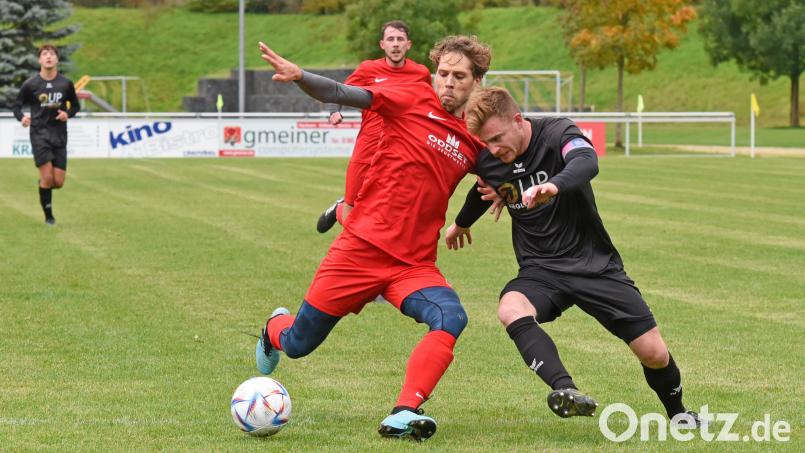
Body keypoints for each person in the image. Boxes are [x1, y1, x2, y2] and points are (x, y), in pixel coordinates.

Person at [254, 35, 492, 440]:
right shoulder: (411, 97)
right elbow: (342, 92)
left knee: (451, 317)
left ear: (477, 82)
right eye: (444, 74)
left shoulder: (476, 136)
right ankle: (273, 328)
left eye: (460, 76)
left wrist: (486, 204)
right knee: (298, 344)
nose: (448, 83)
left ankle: (404, 411)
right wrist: (301, 77)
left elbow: (496, 177)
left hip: (413, 266)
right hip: (359, 251)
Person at [444, 87, 702, 425]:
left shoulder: (556, 132)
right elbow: (484, 188)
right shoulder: (493, 158)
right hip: (541, 271)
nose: (492, 149)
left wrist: (555, 185)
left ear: (518, 121)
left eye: (497, 138)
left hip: (594, 265)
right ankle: (565, 390)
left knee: (654, 354)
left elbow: (586, 160)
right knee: (510, 308)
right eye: (486, 143)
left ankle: (680, 414)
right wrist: (461, 224)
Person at [316, 20, 431, 233]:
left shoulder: (420, 73)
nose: (395, 44)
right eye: (390, 39)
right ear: (382, 44)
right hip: (368, 147)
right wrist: (334, 111)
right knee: (352, 217)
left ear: (408, 44)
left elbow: (428, 106)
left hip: (401, 152)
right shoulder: (368, 69)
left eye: (400, 39)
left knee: (395, 213)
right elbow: (340, 91)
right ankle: (340, 209)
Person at [11, 44, 80, 226]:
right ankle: (49, 217)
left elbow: (75, 106)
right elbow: (16, 106)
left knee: (58, 182)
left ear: (57, 60)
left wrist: (68, 114)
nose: (48, 57)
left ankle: (43, 183)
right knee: (48, 177)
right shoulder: (31, 84)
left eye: (52, 54)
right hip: (39, 134)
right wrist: (22, 118)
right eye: (44, 54)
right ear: (40, 60)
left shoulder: (65, 83)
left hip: (59, 135)